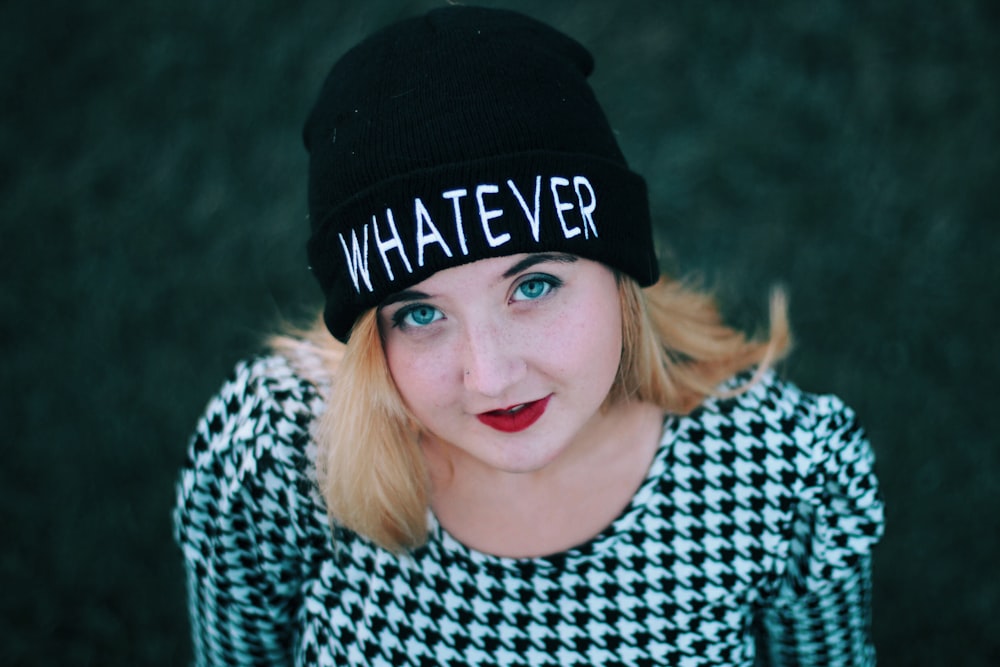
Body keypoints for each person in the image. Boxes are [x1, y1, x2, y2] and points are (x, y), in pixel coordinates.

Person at [173, 6, 884, 666]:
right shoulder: (275, 455)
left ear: (618, 266)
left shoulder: (784, 472)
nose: (490, 377)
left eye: (533, 285)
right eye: (420, 313)